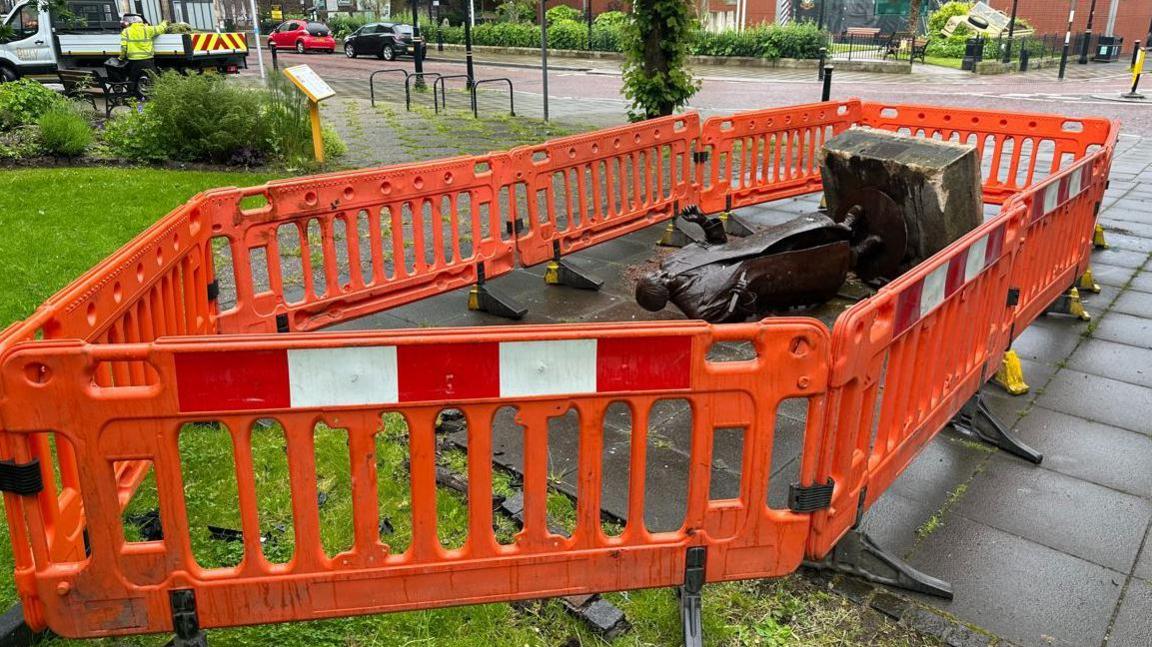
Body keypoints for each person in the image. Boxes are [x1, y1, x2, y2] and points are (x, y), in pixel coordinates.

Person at [118, 14, 169, 93]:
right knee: (153, 79)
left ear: (132, 23)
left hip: (133, 61)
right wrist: (164, 22)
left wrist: (121, 58)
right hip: (147, 60)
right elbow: (161, 29)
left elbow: (123, 47)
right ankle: (157, 96)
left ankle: (132, 97)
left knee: (133, 80)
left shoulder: (126, 31)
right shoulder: (147, 29)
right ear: (141, 22)